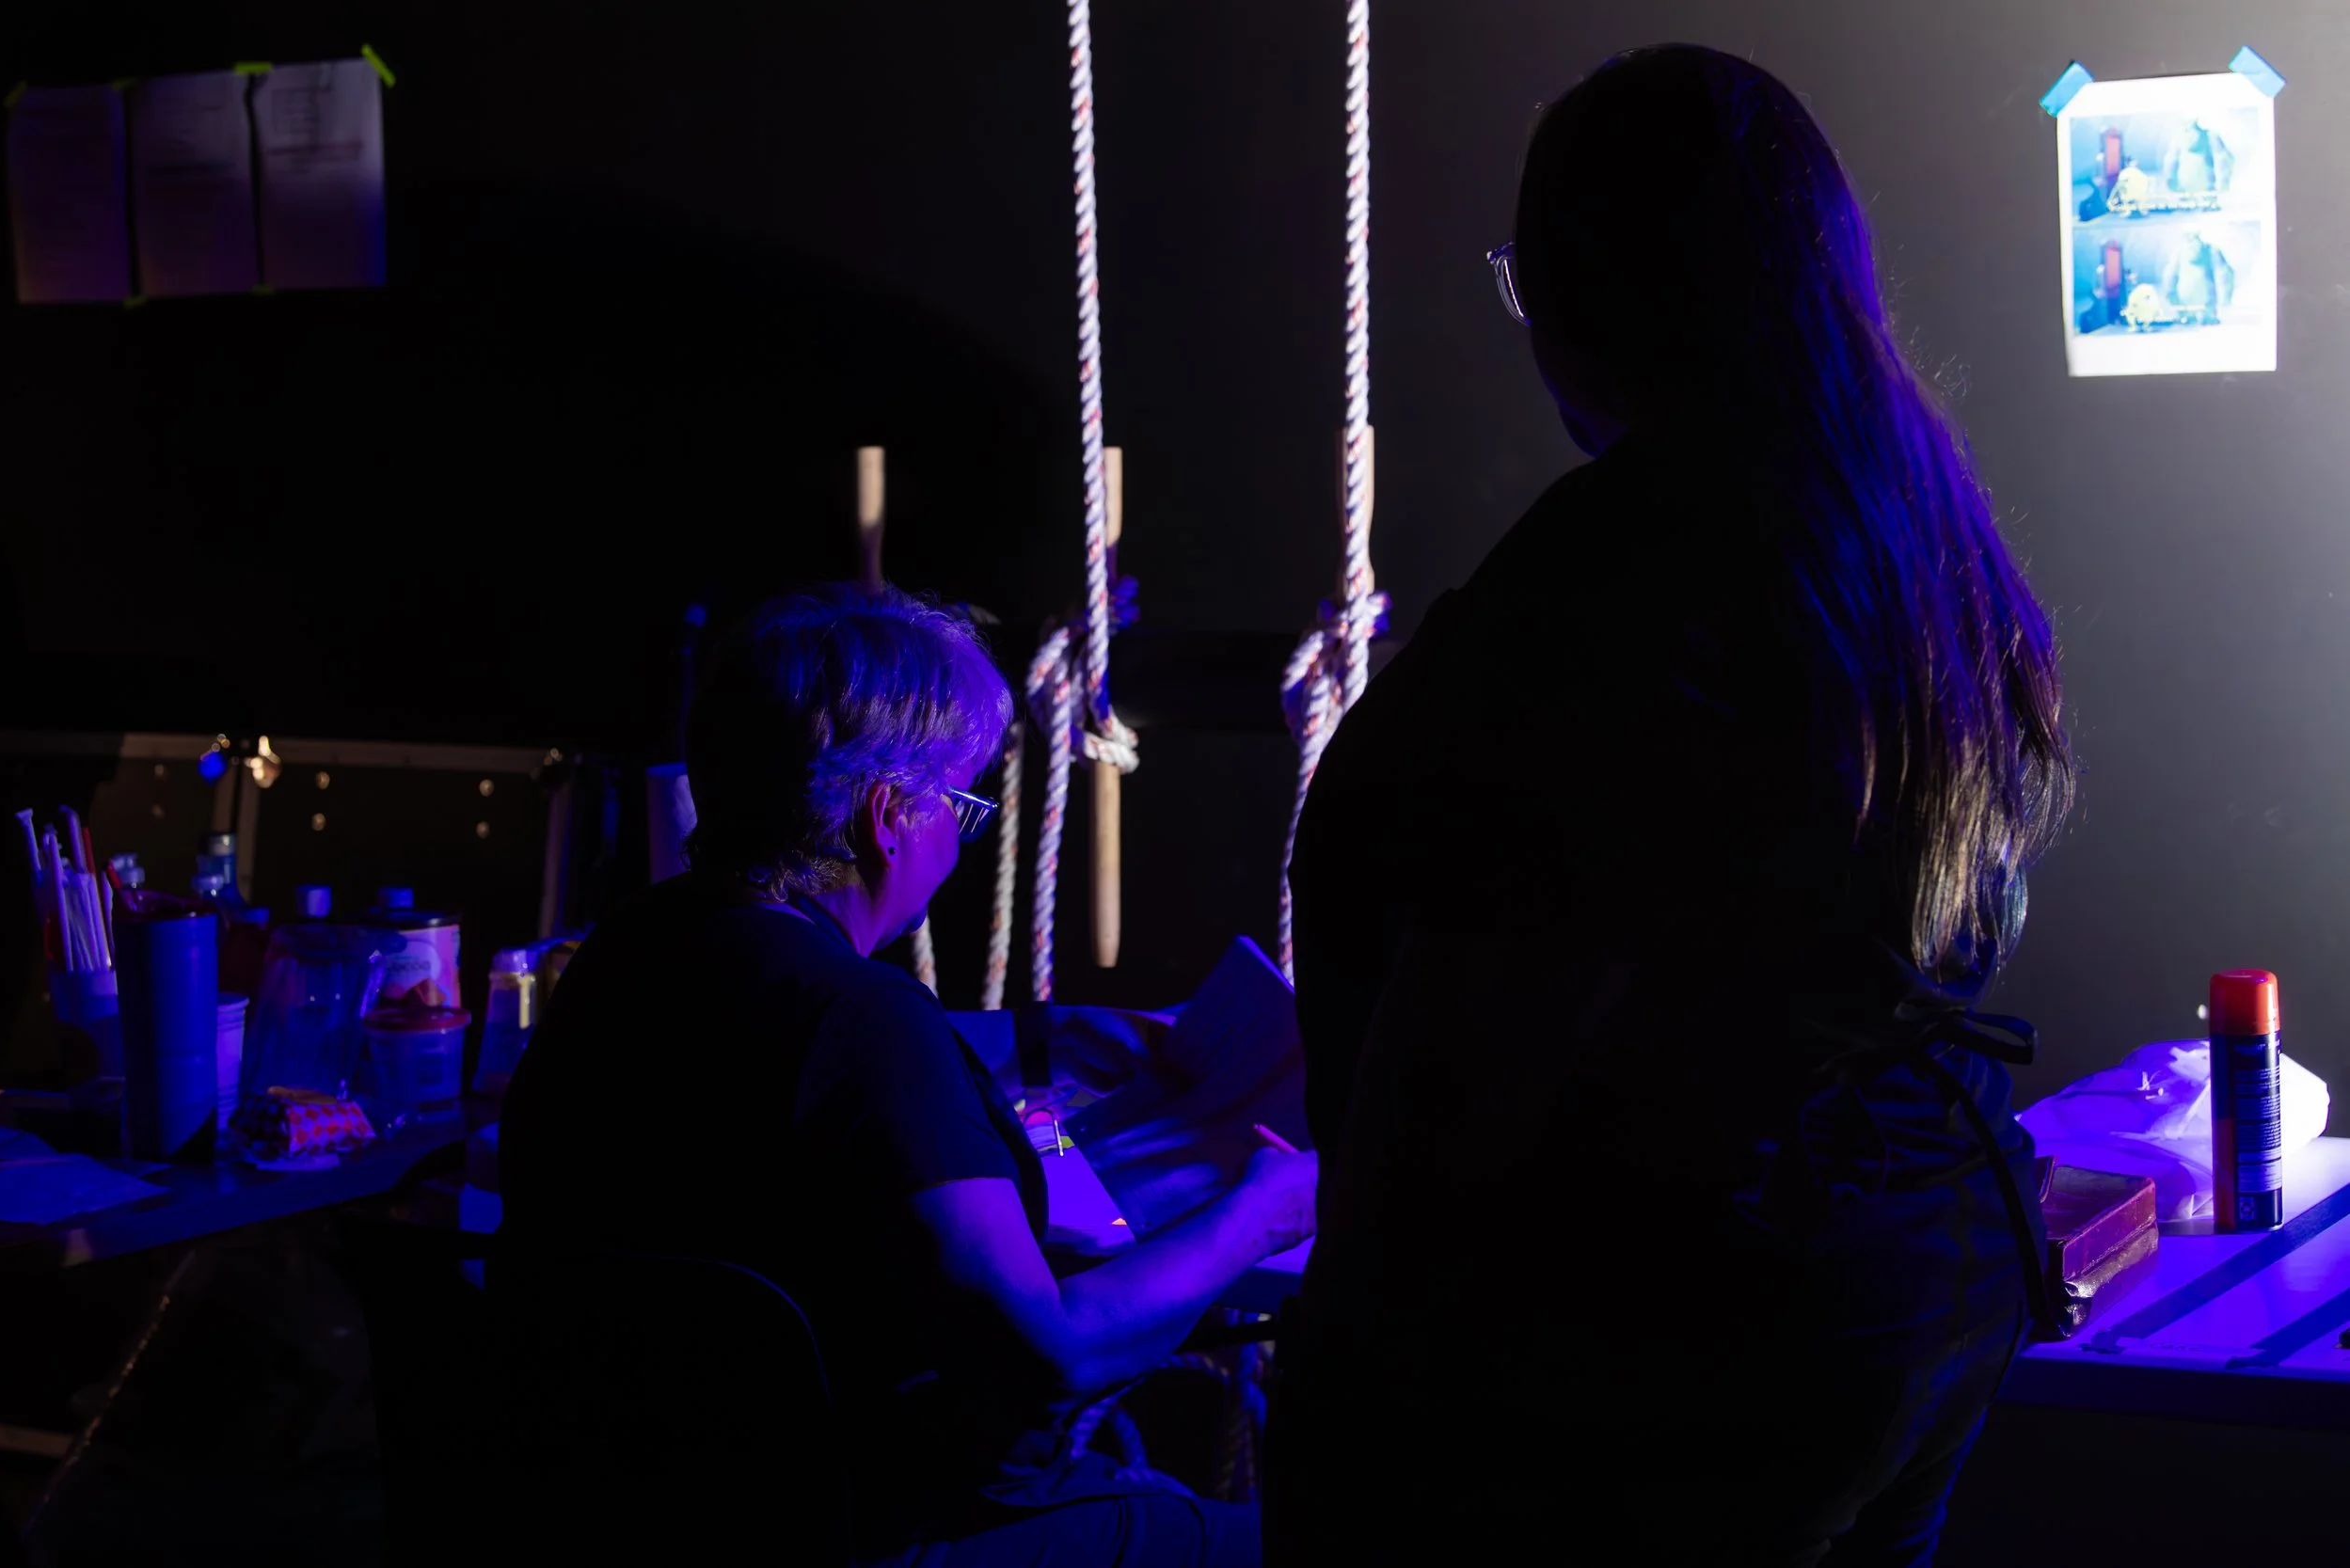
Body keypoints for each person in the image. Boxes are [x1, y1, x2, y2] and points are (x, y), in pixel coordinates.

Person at [1265, 45, 2074, 1568]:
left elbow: (1497, 1008)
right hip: (1925, 1242)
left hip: (1704, 1295)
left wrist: (1354, 1369)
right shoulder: (1909, 520)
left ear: (1603, 289)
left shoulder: (1623, 567)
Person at [499, 585, 1315, 1566]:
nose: (955, 844)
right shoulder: (861, 1019)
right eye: (961, 805)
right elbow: (1050, 1355)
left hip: (638, 1510)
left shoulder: (623, 953)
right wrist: (1266, 1208)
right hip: (872, 1524)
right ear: (889, 814)